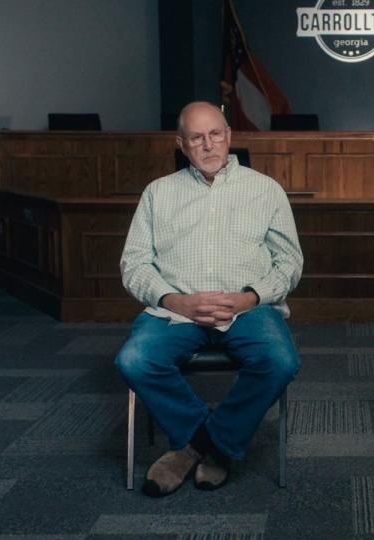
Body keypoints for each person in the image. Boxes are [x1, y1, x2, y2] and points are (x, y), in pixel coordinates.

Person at [115, 101, 303, 497]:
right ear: (181, 143)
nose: (208, 145)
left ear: (229, 137)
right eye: (197, 137)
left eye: (216, 134)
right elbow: (134, 265)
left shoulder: (265, 189)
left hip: (248, 310)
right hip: (176, 312)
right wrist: (174, 301)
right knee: (134, 360)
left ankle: (196, 447)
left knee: (280, 361)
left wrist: (250, 298)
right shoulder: (158, 193)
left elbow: (289, 263)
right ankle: (211, 443)